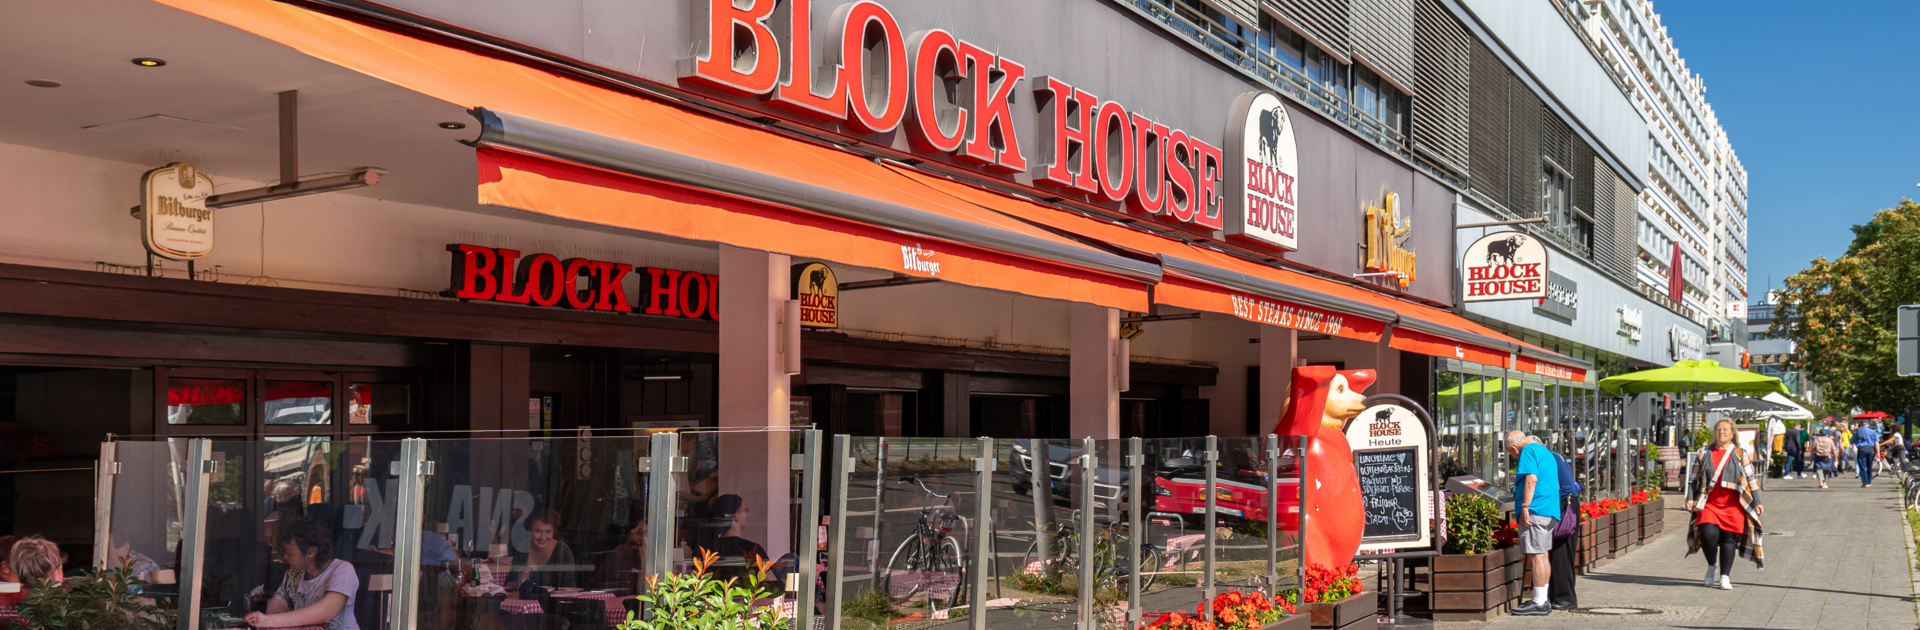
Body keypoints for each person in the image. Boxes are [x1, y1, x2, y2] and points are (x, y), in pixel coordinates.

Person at [1685, 418, 1765, 589]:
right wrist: (1690, 497)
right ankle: (1712, 565)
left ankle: (1725, 577)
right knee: (1708, 536)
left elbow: (1751, 479)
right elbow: (1693, 479)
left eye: (1725, 430)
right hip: (1709, 503)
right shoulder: (1703, 452)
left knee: (1729, 540)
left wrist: (1757, 501)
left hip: (1733, 504)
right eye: (1718, 429)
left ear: (1732, 433)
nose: (1721, 432)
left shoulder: (1739, 453)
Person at [245, 518, 359, 630]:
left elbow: (325, 611)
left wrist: (268, 620)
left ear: (311, 552)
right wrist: (261, 615)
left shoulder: (342, 570)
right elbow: (279, 604)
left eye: (289, 552)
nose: (285, 558)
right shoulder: (293, 574)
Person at [1505, 431, 1559, 616]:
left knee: (1536, 555)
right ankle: (1542, 598)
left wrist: (1525, 506)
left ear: (1513, 447)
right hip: (1548, 509)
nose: (1513, 456)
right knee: (1542, 554)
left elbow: (1531, 479)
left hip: (1536, 509)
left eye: (1511, 453)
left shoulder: (1527, 451)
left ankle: (1538, 602)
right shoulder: (1544, 451)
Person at [1542, 438, 1581, 610]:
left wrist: (1547, 503)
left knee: (1561, 554)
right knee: (1558, 554)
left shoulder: (1553, 458)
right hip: (1564, 507)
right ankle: (1557, 595)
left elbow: (1567, 488)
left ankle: (1566, 598)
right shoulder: (1554, 457)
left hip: (1565, 509)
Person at [510, 510, 577, 589]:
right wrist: (519, 582)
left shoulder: (562, 551)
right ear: (530, 530)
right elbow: (508, 583)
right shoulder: (523, 547)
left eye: (548, 531)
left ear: (554, 532)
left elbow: (569, 588)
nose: (542, 537)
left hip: (551, 601)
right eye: (538, 531)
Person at [592, 518, 646, 591]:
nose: (632, 531)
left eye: (640, 531)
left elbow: (643, 597)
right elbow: (596, 585)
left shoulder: (653, 560)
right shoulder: (621, 552)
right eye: (635, 527)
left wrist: (644, 560)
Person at [1853, 420, 1881, 487]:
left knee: (1862, 467)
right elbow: (1876, 443)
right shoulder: (1873, 431)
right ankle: (1869, 482)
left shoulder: (1857, 431)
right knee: (1869, 466)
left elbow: (1853, 440)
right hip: (1871, 449)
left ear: (1861, 424)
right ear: (1868, 424)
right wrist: (1878, 452)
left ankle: (1865, 482)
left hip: (1862, 449)